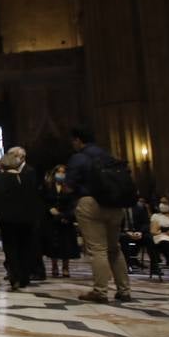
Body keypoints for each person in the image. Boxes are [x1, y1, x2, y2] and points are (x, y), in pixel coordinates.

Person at [66, 126, 132, 303]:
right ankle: (124, 290)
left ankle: (100, 291)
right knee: (114, 248)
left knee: (97, 249)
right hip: (115, 204)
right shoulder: (107, 155)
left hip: (90, 203)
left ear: (78, 140)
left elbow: (69, 184)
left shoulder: (79, 157)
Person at [0, 147, 42, 291]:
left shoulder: (2, 179)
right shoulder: (25, 177)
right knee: (24, 247)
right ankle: (24, 277)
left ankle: (15, 277)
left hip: (8, 219)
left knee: (11, 248)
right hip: (26, 218)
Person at [43, 164, 79, 277]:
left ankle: (65, 267)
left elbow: (73, 204)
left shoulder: (69, 187)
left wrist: (65, 216)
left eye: (63, 172)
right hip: (52, 219)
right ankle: (54, 266)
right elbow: (44, 200)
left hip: (66, 219)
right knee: (53, 244)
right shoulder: (49, 186)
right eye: (59, 172)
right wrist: (50, 209)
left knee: (66, 244)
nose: (61, 174)